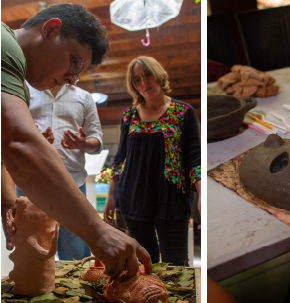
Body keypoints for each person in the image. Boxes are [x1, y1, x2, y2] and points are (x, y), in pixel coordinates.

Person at [1, 3, 151, 279]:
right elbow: (18, 144)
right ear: (51, 29)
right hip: (37, 183)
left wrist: (7, 198)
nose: (72, 78)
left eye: (78, 71)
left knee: (72, 257)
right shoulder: (4, 46)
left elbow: (8, 144)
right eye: (74, 61)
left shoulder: (20, 83)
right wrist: (99, 230)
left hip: (66, 179)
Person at [103, 56, 201, 267]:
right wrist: (111, 197)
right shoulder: (129, 116)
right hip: (134, 198)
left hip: (172, 199)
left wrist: (202, 194)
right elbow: (120, 158)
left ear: (158, 75)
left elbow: (194, 158)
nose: (144, 84)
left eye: (147, 75)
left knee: (176, 266)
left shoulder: (183, 112)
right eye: (137, 80)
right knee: (144, 265)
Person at [12, 82, 104, 261]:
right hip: (30, 182)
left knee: (75, 254)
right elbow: (11, 132)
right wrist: (32, 140)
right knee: (31, 253)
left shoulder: (84, 97)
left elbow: (96, 139)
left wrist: (82, 143)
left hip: (72, 184)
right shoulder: (23, 91)